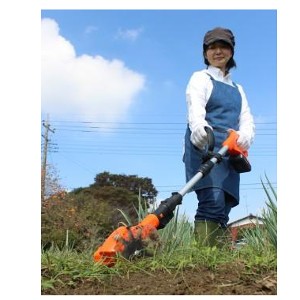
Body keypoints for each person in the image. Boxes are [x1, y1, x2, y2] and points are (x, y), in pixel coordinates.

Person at [183, 27, 255, 247]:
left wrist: (245, 136)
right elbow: (196, 108)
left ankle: (219, 259)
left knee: (224, 204)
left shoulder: (238, 88)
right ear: (205, 53)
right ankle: (205, 259)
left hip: (230, 152)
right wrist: (199, 129)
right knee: (212, 200)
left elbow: (246, 119)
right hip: (206, 146)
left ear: (231, 51)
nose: (217, 51)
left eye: (222, 46)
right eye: (211, 47)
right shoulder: (200, 78)